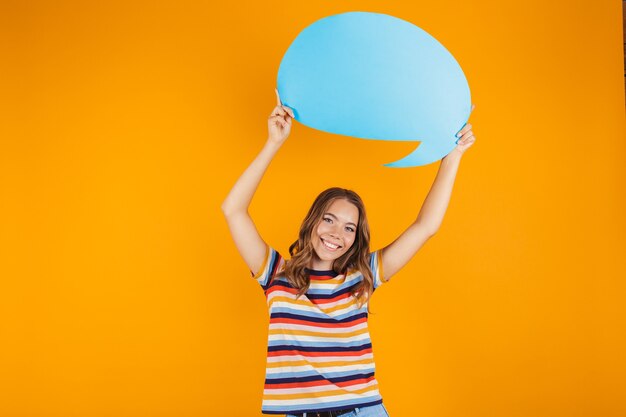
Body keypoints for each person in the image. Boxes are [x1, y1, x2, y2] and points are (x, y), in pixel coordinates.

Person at [221, 89, 476, 417]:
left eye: (348, 227)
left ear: (356, 238)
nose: (335, 234)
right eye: (329, 219)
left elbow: (426, 225)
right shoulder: (275, 273)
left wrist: (452, 156)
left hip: (361, 411)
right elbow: (233, 210)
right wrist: (273, 143)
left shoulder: (364, 275)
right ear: (312, 222)